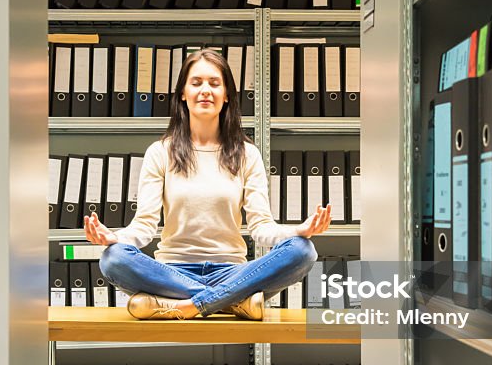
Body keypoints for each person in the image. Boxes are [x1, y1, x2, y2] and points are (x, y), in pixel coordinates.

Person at [84, 49, 331, 320]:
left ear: (226, 96)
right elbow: (144, 225)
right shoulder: (160, 152)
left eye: (214, 84)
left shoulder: (247, 154)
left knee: (302, 250)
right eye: (196, 82)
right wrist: (115, 238)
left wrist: (298, 230)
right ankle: (231, 301)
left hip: (232, 270)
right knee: (113, 258)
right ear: (183, 93)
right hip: (172, 271)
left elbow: (261, 228)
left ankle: (186, 305)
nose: (205, 90)